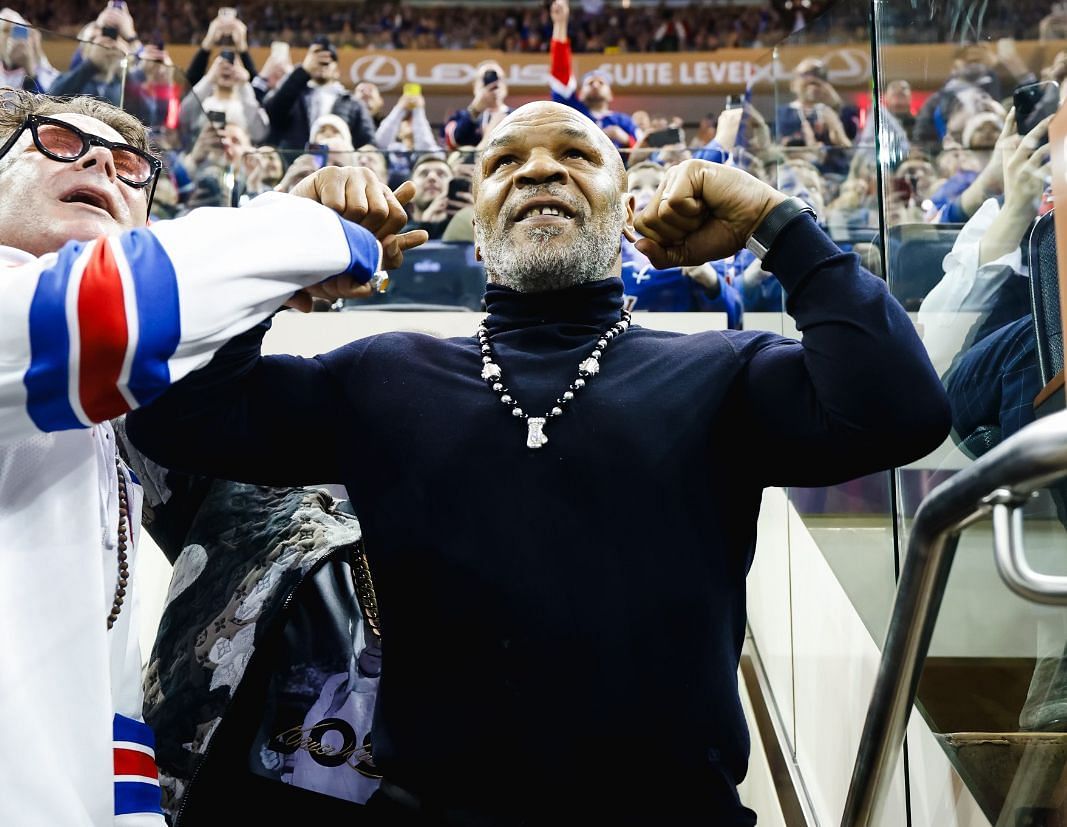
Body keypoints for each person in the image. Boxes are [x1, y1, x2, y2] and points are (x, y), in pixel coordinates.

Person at [127, 99, 951, 826]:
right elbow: (179, 418)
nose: (540, 169)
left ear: (628, 205)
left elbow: (899, 413)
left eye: (576, 155)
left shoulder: (724, 371)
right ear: (478, 224)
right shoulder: (378, 373)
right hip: (426, 810)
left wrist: (780, 224)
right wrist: (279, 245)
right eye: (505, 161)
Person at [0, 89, 425, 826]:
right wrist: (315, 225)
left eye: (133, 164)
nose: (103, 158)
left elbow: (102, 701)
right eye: (60, 141)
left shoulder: (103, 422)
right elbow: (116, 311)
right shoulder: (59, 331)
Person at [549, 0, 641, 150]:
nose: (595, 85)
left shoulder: (624, 122)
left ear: (611, 94)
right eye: (590, 83)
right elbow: (560, 69)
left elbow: (646, 152)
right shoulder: (573, 111)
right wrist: (560, 24)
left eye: (601, 83)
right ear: (581, 94)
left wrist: (624, 138)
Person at [263, 36, 376, 152]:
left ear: (337, 71)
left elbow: (367, 142)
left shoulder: (353, 103)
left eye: (327, 62)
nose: (321, 65)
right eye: (316, 60)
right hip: (297, 164)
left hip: (337, 165)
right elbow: (273, 112)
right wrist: (303, 71)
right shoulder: (295, 96)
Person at [442, 59, 510, 151]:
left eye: (497, 78)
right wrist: (474, 110)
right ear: (475, 86)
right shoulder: (460, 116)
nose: (493, 84)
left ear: (504, 85)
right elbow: (456, 140)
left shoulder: (517, 115)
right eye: (486, 78)